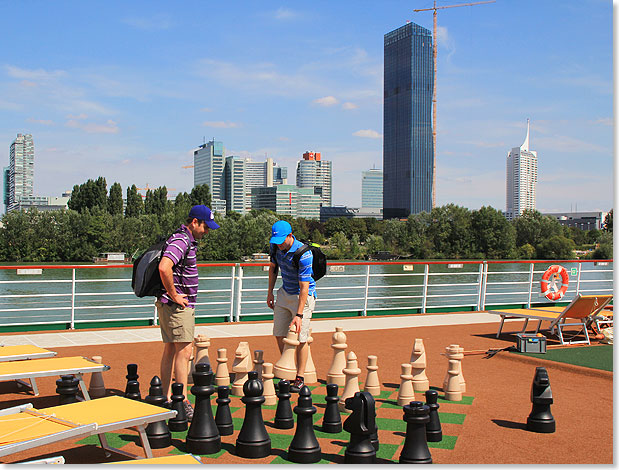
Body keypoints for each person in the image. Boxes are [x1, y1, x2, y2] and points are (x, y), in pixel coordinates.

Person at [157, 204, 220, 420]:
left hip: (172, 305)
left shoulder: (183, 239)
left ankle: (166, 398)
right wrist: (175, 295)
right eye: (205, 227)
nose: (207, 232)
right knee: (184, 352)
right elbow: (164, 267)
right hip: (177, 306)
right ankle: (180, 401)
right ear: (195, 222)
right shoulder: (182, 240)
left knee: (171, 350)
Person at [267, 220, 316, 392]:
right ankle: (288, 368)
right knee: (279, 333)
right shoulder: (275, 248)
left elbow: (305, 287)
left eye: (282, 240)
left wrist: (299, 314)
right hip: (284, 292)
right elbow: (273, 269)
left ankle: (300, 377)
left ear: (290, 235)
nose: (279, 244)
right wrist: (270, 293)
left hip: (302, 297)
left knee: (301, 338)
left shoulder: (304, 254)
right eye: (276, 241)